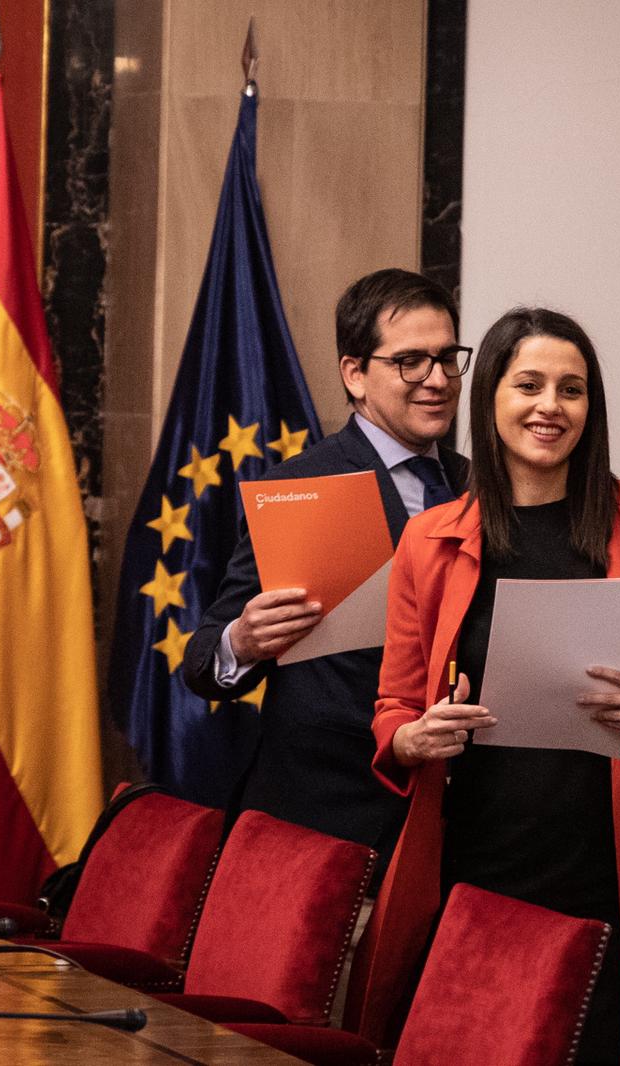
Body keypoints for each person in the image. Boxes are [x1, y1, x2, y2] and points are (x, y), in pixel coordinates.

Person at [351, 307, 620, 1063]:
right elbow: (392, 705)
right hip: (478, 853)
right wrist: (411, 735)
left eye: (572, 389)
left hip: (612, 857)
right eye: (528, 384)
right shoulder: (431, 539)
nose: (550, 407)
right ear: (490, 395)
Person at [183, 269, 470, 874]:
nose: (438, 380)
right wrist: (245, 639)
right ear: (355, 374)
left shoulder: (483, 488)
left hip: (458, 828)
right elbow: (204, 661)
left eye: (448, 358)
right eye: (411, 362)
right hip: (328, 822)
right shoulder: (300, 486)